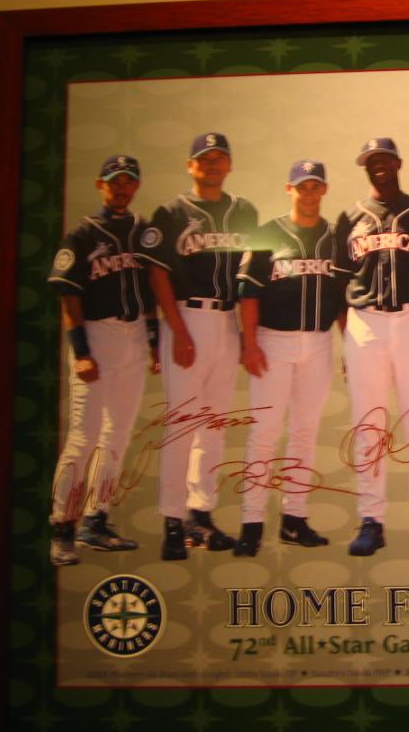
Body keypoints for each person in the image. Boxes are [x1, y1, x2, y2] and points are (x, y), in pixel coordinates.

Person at [136, 132, 257, 560]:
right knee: (183, 425)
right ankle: (172, 522)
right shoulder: (172, 212)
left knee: (214, 425)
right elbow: (157, 275)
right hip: (187, 316)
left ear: (230, 164)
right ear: (190, 166)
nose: (212, 164)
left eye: (219, 157)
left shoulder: (244, 211)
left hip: (226, 320)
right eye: (204, 158)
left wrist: (246, 335)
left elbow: (249, 276)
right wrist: (178, 331)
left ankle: (200, 515)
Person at [333, 138, 409, 556]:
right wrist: (349, 334)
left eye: (384, 159)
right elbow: (338, 279)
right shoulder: (349, 217)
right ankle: (371, 520)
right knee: (369, 425)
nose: (378, 165)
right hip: (364, 322)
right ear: (365, 167)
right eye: (371, 161)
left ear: (399, 162)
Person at [47, 155, 159, 565]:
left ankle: (96, 520)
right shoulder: (82, 234)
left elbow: (150, 291)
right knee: (84, 438)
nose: (121, 187)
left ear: (136, 186)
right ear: (101, 184)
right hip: (97, 334)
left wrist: (155, 343)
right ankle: (62, 527)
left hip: (134, 335)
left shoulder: (143, 231)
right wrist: (81, 352)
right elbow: (68, 297)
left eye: (129, 181)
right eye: (115, 181)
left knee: (118, 436)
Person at [233, 160, 344, 556]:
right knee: (264, 433)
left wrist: (350, 346)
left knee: (304, 432)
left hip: (318, 342)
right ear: (289, 189)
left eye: (315, 186)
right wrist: (249, 344)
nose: (309, 193)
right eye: (302, 187)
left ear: (324, 189)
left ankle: (294, 520)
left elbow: (343, 298)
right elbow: (248, 294)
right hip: (273, 342)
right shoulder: (267, 234)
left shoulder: (335, 237)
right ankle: (251, 524)